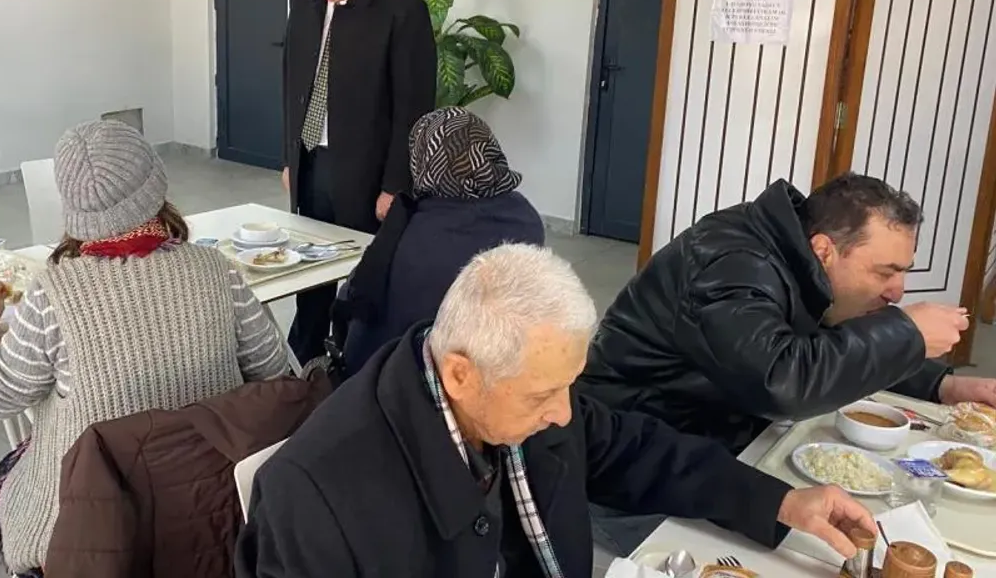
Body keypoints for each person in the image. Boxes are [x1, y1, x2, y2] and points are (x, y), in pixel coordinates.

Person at [236, 244, 877, 577]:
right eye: (543, 396)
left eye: (569, 386)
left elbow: (640, 450)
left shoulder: (510, 393)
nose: (564, 415)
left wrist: (782, 502)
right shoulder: (315, 496)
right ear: (459, 375)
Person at [579, 174, 995, 555]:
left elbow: (833, 335)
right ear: (824, 250)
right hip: (639, 470)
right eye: (885, 272)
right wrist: (907, 336)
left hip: (722, 451)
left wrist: (942, 386)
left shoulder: (795, 254)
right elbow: (780, 380)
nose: (897, 292)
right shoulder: (732, 266)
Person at [0, 119, 292, 577]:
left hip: (95, 526)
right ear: (156, 183)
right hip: (213, 508)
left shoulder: (53, 292)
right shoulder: (217, 269)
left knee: (16, 463)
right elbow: (275, 373)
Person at [282, 0, 436, 364]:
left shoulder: (402, 9)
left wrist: (395, 183)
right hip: (312, 158)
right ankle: (305, 359)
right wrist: (290, 157)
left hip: (368, 170)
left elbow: (414, 106)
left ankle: (353, 363)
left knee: (361, 275)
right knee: (310, 265)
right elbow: (292, 80)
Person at [335, 107, 543, 374]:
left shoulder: (408, 232)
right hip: (495, 367)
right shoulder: (526, 217)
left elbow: (358, 304)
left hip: (401, 378)